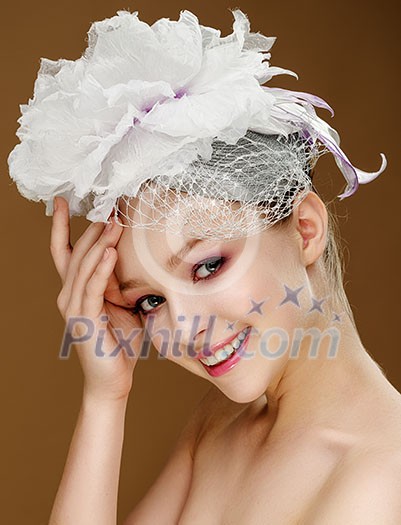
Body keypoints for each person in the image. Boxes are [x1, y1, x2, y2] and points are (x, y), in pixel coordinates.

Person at [8, 9, 401, 525]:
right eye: (150, 301)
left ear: (305, 228)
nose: (186, 329)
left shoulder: (382, 479)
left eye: (207, 265)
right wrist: (105, 399)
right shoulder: (220, 423)